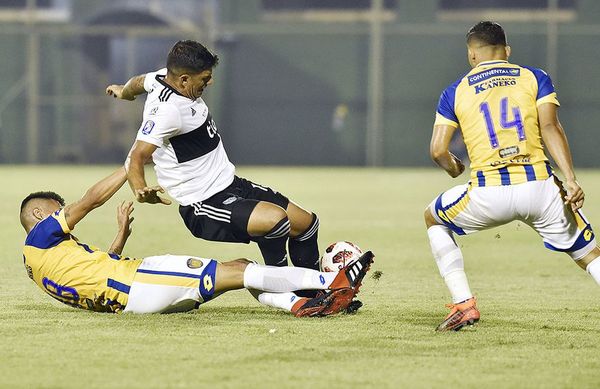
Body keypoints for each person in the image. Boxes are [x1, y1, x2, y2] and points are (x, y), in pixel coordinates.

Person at [425, 21, 600, 331]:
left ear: (471, 54)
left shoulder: (454, 91)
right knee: (587, 253)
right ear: (507, 51)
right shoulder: (535, 77)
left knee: (433, 218)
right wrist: (571, 178)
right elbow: (550, 128)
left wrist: (454, 167)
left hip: (487, 194)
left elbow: (438, 150)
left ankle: (464, 304)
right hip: (540, 189)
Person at [20, 166, 374, 315]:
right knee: (243, 271)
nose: (63, 212)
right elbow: (90, 200)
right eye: (56, 209)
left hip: (133, 298)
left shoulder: (37, 262)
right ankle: (331, 283)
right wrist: (131, 166)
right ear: (39, 216)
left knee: (239, 271)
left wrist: (120, 237)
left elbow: (92, 275)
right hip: (142, 283)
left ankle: (300, 305)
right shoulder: (43, 233)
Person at [105, 40, 321, 273]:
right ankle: (285, 287)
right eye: (205, 78)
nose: (210, 82)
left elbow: (139, 82)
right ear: (184, 79)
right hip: (204, 204)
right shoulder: (169, 112)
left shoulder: (162, 78)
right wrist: (140, 190)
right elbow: (136, 156)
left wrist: (123, 91)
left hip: (233, 186)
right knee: (276, 221)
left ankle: (317, 291)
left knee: (306, 224)